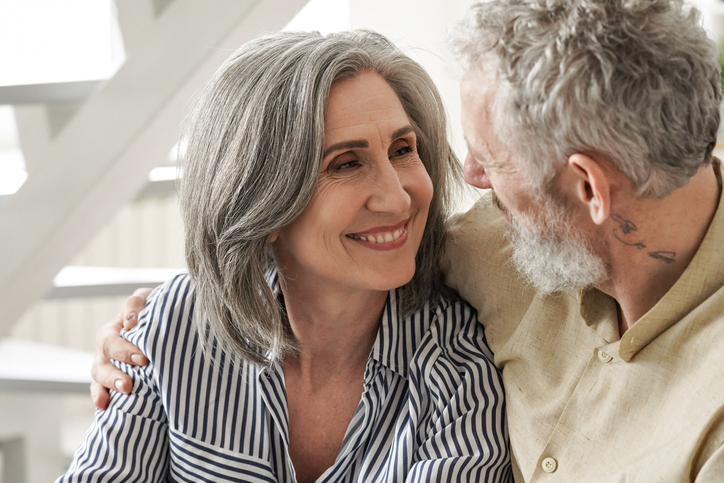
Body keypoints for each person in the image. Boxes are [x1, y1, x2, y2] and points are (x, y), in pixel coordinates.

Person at [91, 0, 724, 480]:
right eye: (346, 161)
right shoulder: (497, 242)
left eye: (492, 161)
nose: (459, 184)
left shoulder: (454, 363)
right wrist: (162, 322)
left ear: (588, 188)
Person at [58, 30, 511, 482]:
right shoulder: (173, 326)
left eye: (402, 150)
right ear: (262, 203)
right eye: (346, 163)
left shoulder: (457, 372)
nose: (397, 199)